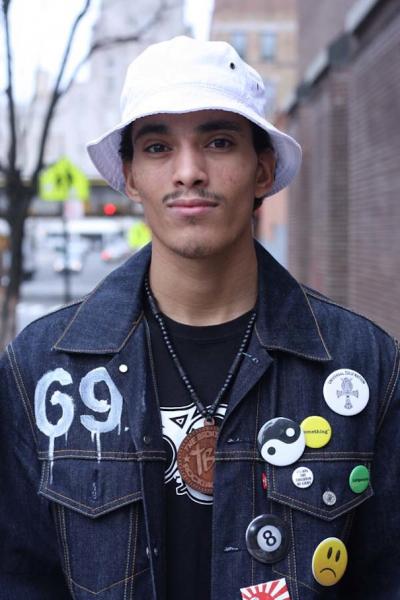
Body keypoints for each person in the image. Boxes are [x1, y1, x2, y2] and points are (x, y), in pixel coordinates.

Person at [0, 36, 399, 600]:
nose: (189, 172)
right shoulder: (40, 370)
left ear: (262, 171)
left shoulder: (364, 364)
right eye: (158, 147)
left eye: (217, 140)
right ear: (131, 176)